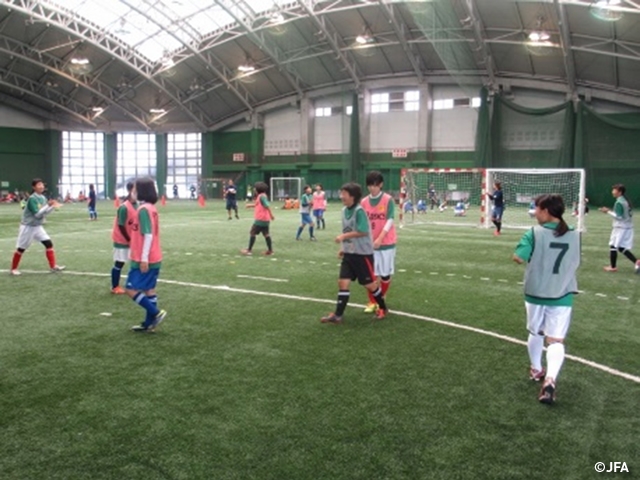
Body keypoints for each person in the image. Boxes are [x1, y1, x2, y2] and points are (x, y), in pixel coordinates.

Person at [513, 194, 580, 405]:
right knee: (556, 340)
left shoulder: (534, 233)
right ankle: (550, 380)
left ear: (546, 211)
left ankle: (536, 369)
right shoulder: (575, 235)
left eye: (537, 209)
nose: (535, 213)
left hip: (535, 293)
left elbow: (518, 258)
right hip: (561, 294)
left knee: (536, 332)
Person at [321, 182, 388, 324]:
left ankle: (383, 307)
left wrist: (343, 237)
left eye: (344, 194)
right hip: (349, 254)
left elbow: (362, 231)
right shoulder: (344, 210)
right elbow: (347, 230)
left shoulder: (359, 211)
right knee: (342, 282)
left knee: (370, 285)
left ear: (352, 196)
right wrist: (343, 247)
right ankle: (338, 315)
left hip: (362, 255)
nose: (341, 196)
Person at [126, 177, 167, 333]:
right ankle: (149, 324)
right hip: (155, 256)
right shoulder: (151, 208)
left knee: (130, 289)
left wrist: (144, 259)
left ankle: (156, 313)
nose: (133, 192)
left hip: (145, 258)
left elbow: (148, 235)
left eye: (135, 189)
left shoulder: (143, 210)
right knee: (149, 289)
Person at [10, 178, 65, 276]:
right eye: (39, 185)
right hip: (28, 227)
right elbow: (37, 214)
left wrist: (53, 206)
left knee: (48, 244)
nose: (41, 186)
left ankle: (53, 266)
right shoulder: (32, 199)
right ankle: (13, 269)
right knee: (21, 249)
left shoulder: (43, 198)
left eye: (42, 184)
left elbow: (45, 212)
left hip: (37, 226)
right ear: (34, 187)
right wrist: (48, 205)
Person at [361, 171, 396, 314]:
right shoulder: (364, 202)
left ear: (381, 185)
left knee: (385, 274)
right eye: (369, 185)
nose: (372, 188)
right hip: (369, 244)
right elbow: (362, 222)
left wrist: (380, 238)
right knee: (371, 275)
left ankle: (381, 299)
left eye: (375, 185)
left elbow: (390, 220)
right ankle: (372, 301)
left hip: (386, 243)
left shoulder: (388, 200)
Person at [599, 184, 640, 273]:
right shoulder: (625, 200)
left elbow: (619, 217)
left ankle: (613, 267)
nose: (612, 192)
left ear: (620, 192)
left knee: (613, 246)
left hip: (620, 227)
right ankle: (637, 261)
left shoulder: (619, 202)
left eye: (614, 190)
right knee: (621, 247)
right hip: (627, 227)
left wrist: (607, 211)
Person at [110, 182, 136, 295]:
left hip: (133, 239)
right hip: (122, 240)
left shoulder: (137, 205)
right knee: (119, 263)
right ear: (130, 191)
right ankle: (115, 286)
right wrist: (128, 239)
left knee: (135, 263)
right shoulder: (124, 207)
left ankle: (132, 285)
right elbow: (121, 225)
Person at [241, 182, 275, 256]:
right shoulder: (262, 196)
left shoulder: (261, 196)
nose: (254, 189)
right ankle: (270, 251)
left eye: (255, 188)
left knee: (252, 233)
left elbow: (267, 206)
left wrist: (271, 215)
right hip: (265, 220)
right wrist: (250, 205)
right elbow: (259, 204)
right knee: (266, 234)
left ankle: (249, 250)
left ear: (257, 189)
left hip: (260, 219)